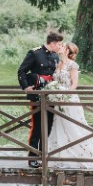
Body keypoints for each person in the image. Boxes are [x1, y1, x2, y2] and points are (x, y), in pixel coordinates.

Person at [48, 42, 93, 168]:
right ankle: (61, 155)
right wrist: (56, 93)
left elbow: (74, 84)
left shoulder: (72, 65)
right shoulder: (58, 64)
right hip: (59, 101)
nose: (59, 47)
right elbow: (55, 82)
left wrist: (65, 96)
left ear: (67, 51)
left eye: (62, 46)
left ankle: (86, 155)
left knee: (74, 126)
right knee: (60, 127)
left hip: (70, 100)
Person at [18, 31, 64, 168]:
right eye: (59, 44)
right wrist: (26, 88)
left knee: (48, 127)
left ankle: (44, 156)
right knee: (37, 127)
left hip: (51, 97)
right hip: (37, 97)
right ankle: (32, 157)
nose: (60, 46)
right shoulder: (35, 54)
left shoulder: (56, 57)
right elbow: (21, 72)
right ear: (53, 43)